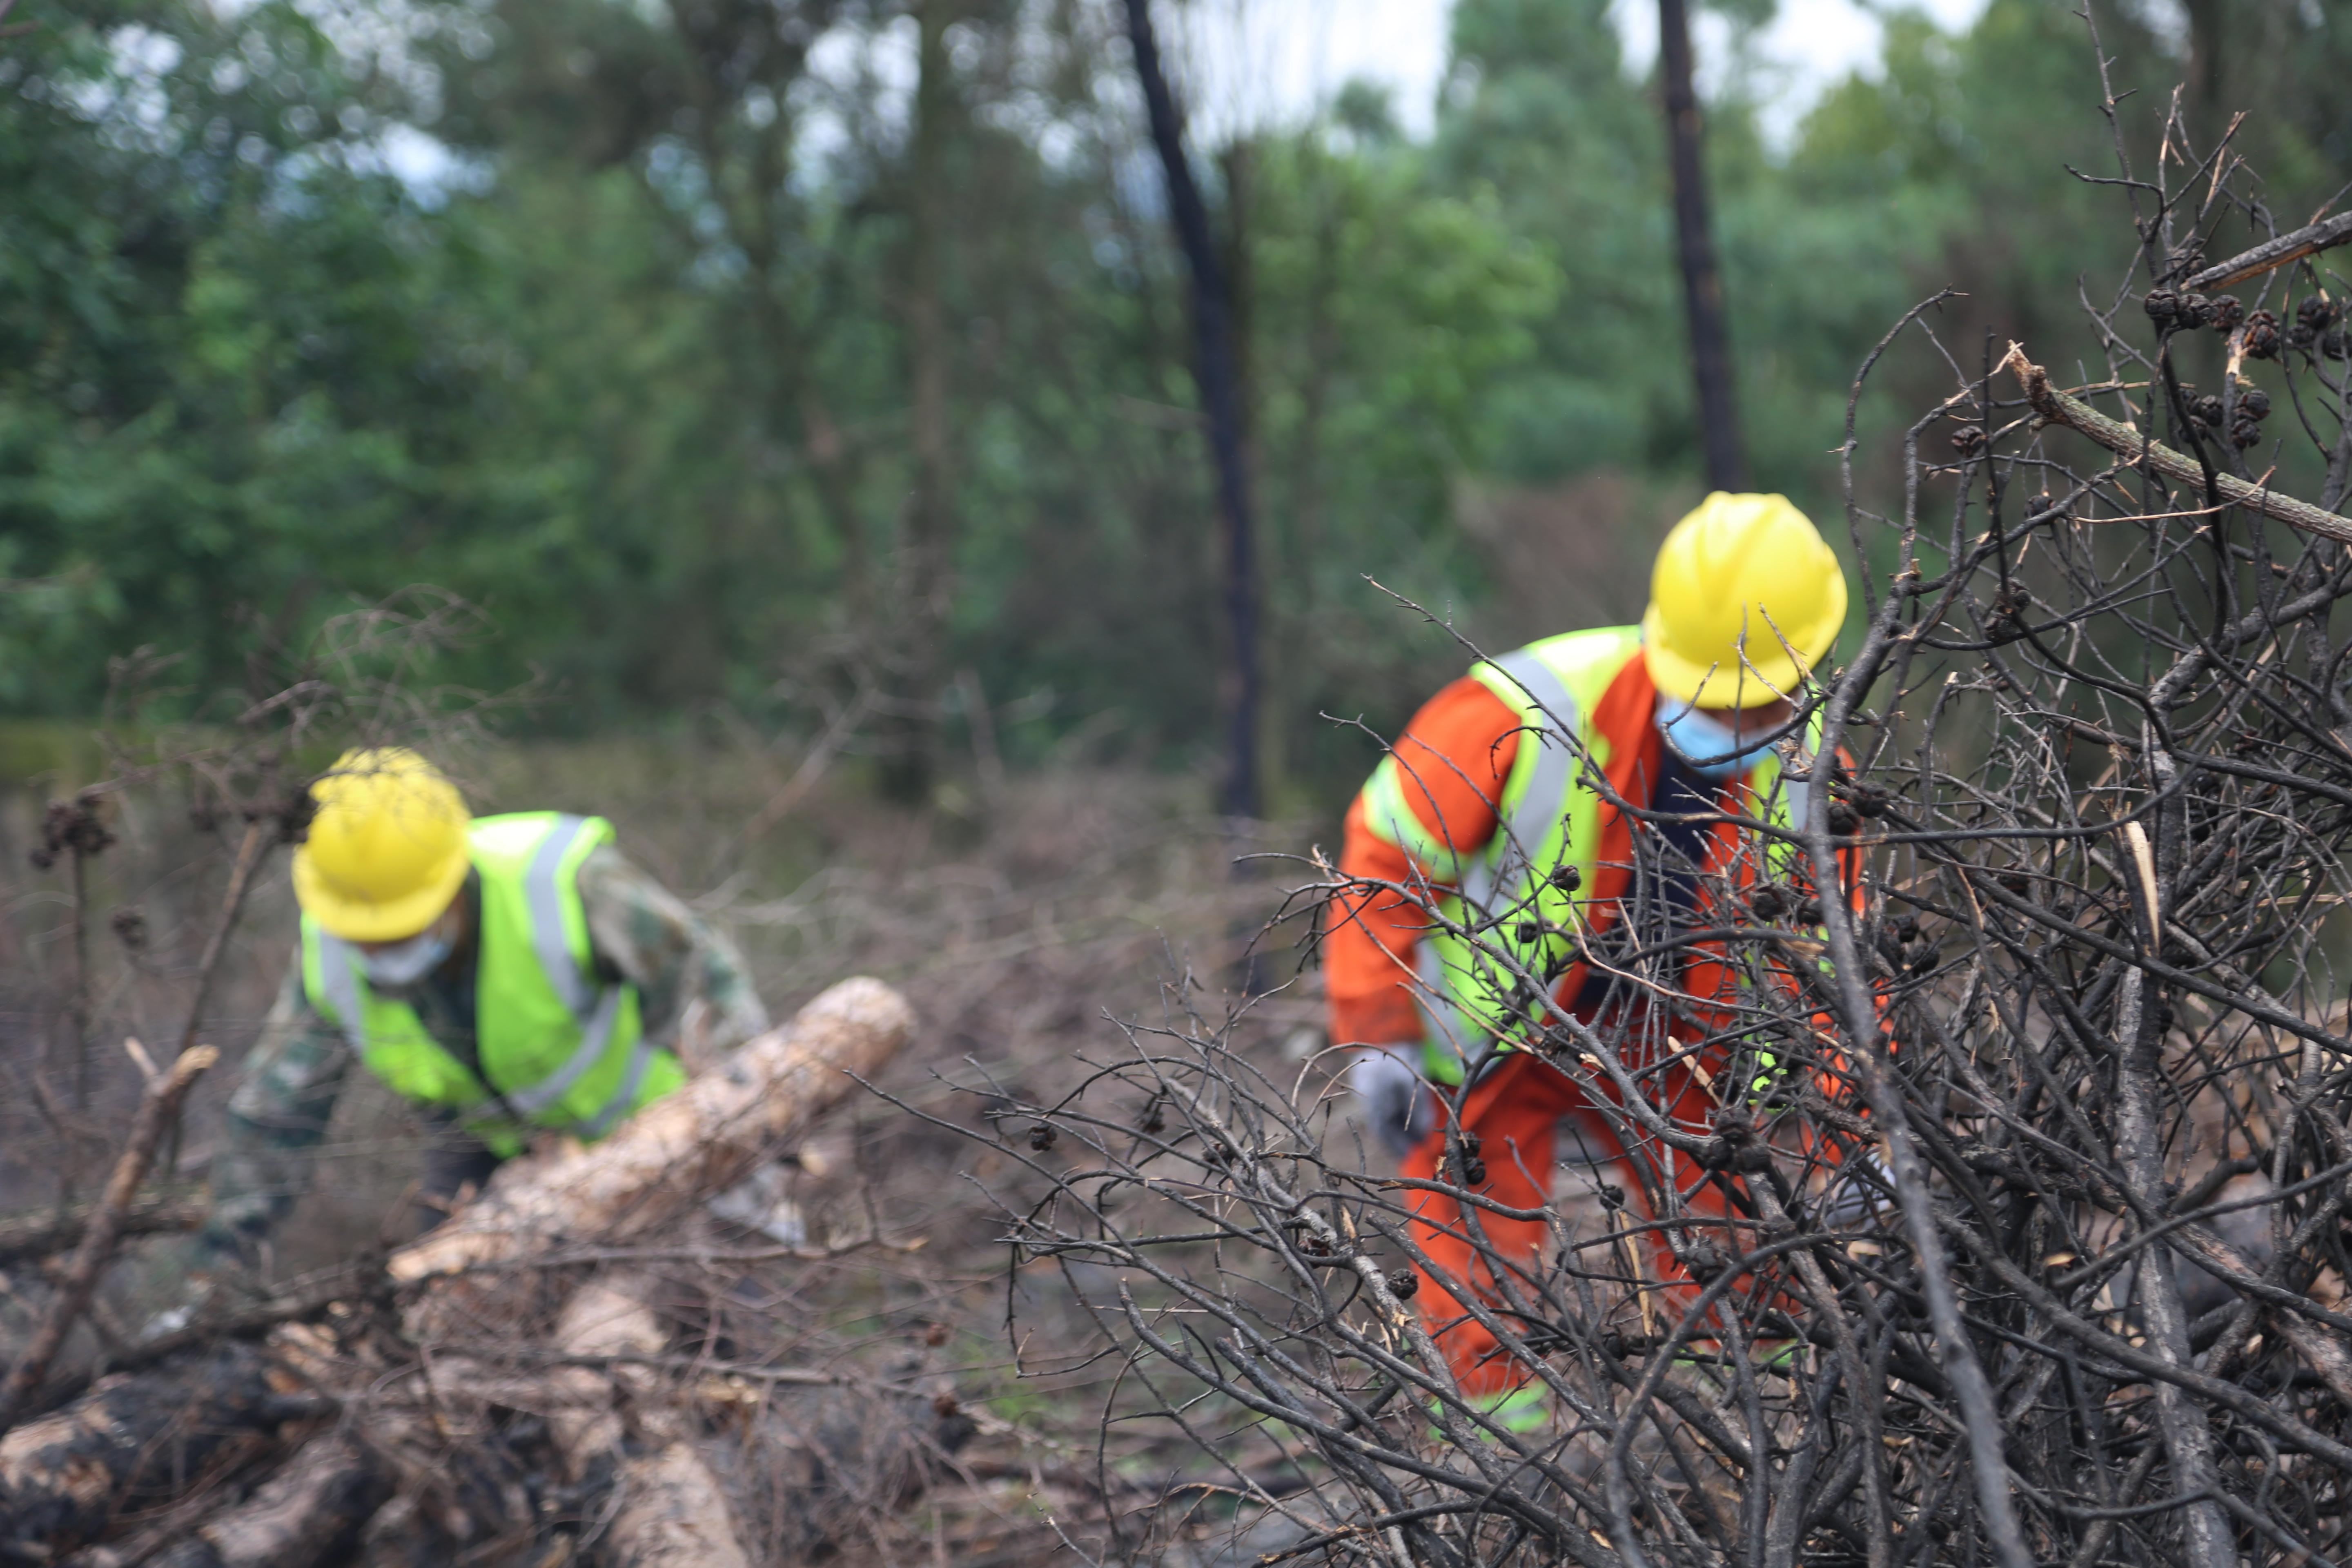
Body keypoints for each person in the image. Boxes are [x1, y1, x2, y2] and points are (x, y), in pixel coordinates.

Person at [1324, 492, 1865, 1428]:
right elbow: (1386, 859)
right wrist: (1380, 1037)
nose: (1735, 717)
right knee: (1473, 1255)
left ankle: (1739, 1439)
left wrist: (1854, 1129)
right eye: (1715, 693)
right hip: (1509, 1030)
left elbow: (1844, 965)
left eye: (1759, 698)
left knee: (1733, 1247)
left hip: (1691, 1044)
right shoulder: (1520, 710)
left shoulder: (1820, 775)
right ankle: (1505, 1466)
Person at [189, 748, 770, 1284]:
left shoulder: (564, 886)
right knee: (440, 1318)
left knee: (716, 1307)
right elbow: (276, 1117)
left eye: (403, 928)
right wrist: (215, 1275)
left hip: (650, 1136)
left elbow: (709, 986)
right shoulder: (327, 960)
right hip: (487, 1152)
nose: (383, 951)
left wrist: (742, 1132)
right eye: (368, 936)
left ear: (452, 878)